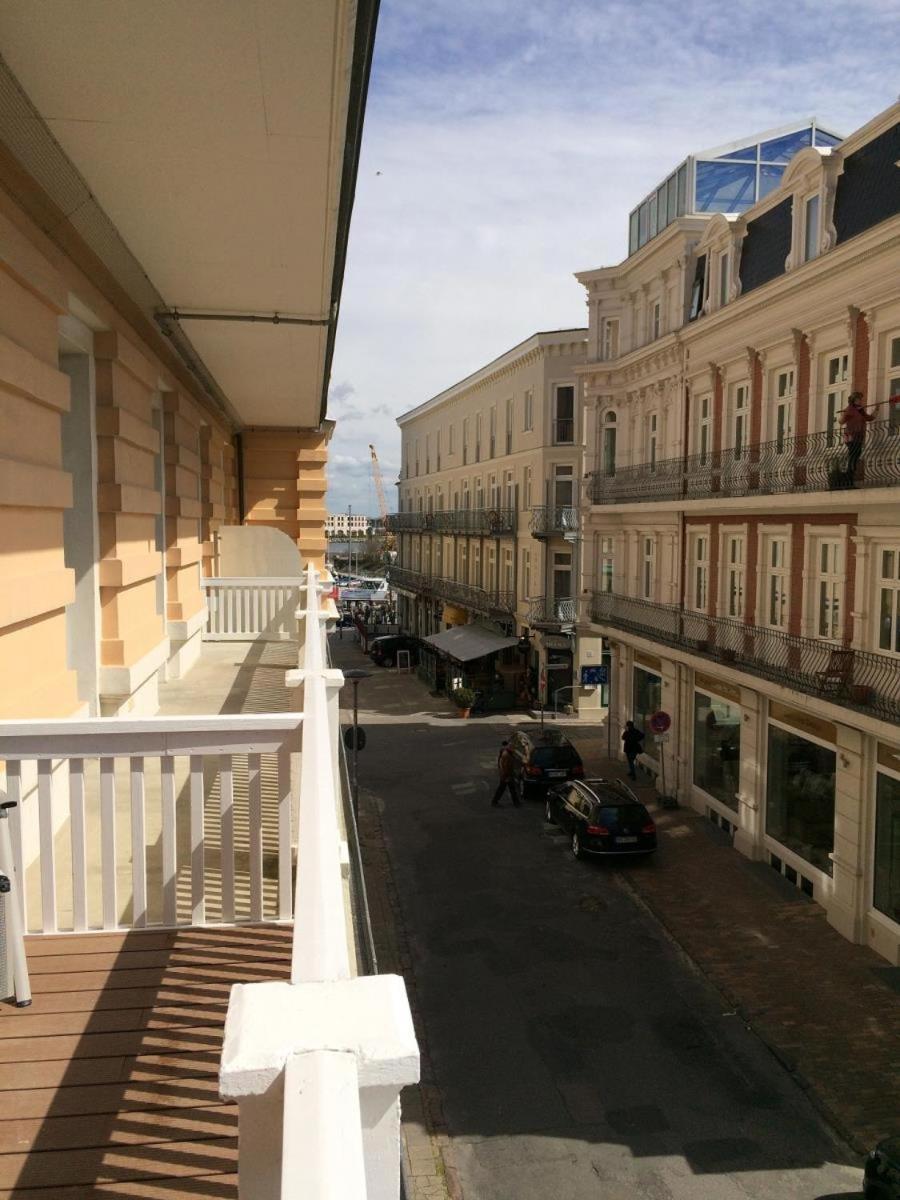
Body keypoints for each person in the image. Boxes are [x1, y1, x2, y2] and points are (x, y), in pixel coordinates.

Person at [839, 391, 875, 483]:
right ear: (853, 400)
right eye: (858, 399)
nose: (860, 401)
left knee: (856, 454)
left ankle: (850, 476)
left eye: (860, 399)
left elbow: (869, 418)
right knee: (854, 455)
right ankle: (848, 477)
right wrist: (844, 414)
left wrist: (876, 410)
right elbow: (841, 421)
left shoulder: (860, 410)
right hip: (851, 436)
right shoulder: (850, 409)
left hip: (859, 436)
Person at [492, 740, 520, 807]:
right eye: (513, 748)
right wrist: (507, 776)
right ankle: (494, 802)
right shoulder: (507, 755)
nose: (514, 750)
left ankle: (516, 802)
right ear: (510, 748)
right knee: (503, 789)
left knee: (510, 789)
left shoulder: (507, 753)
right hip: (506, 776)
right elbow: (506, 767)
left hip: (506, 775)